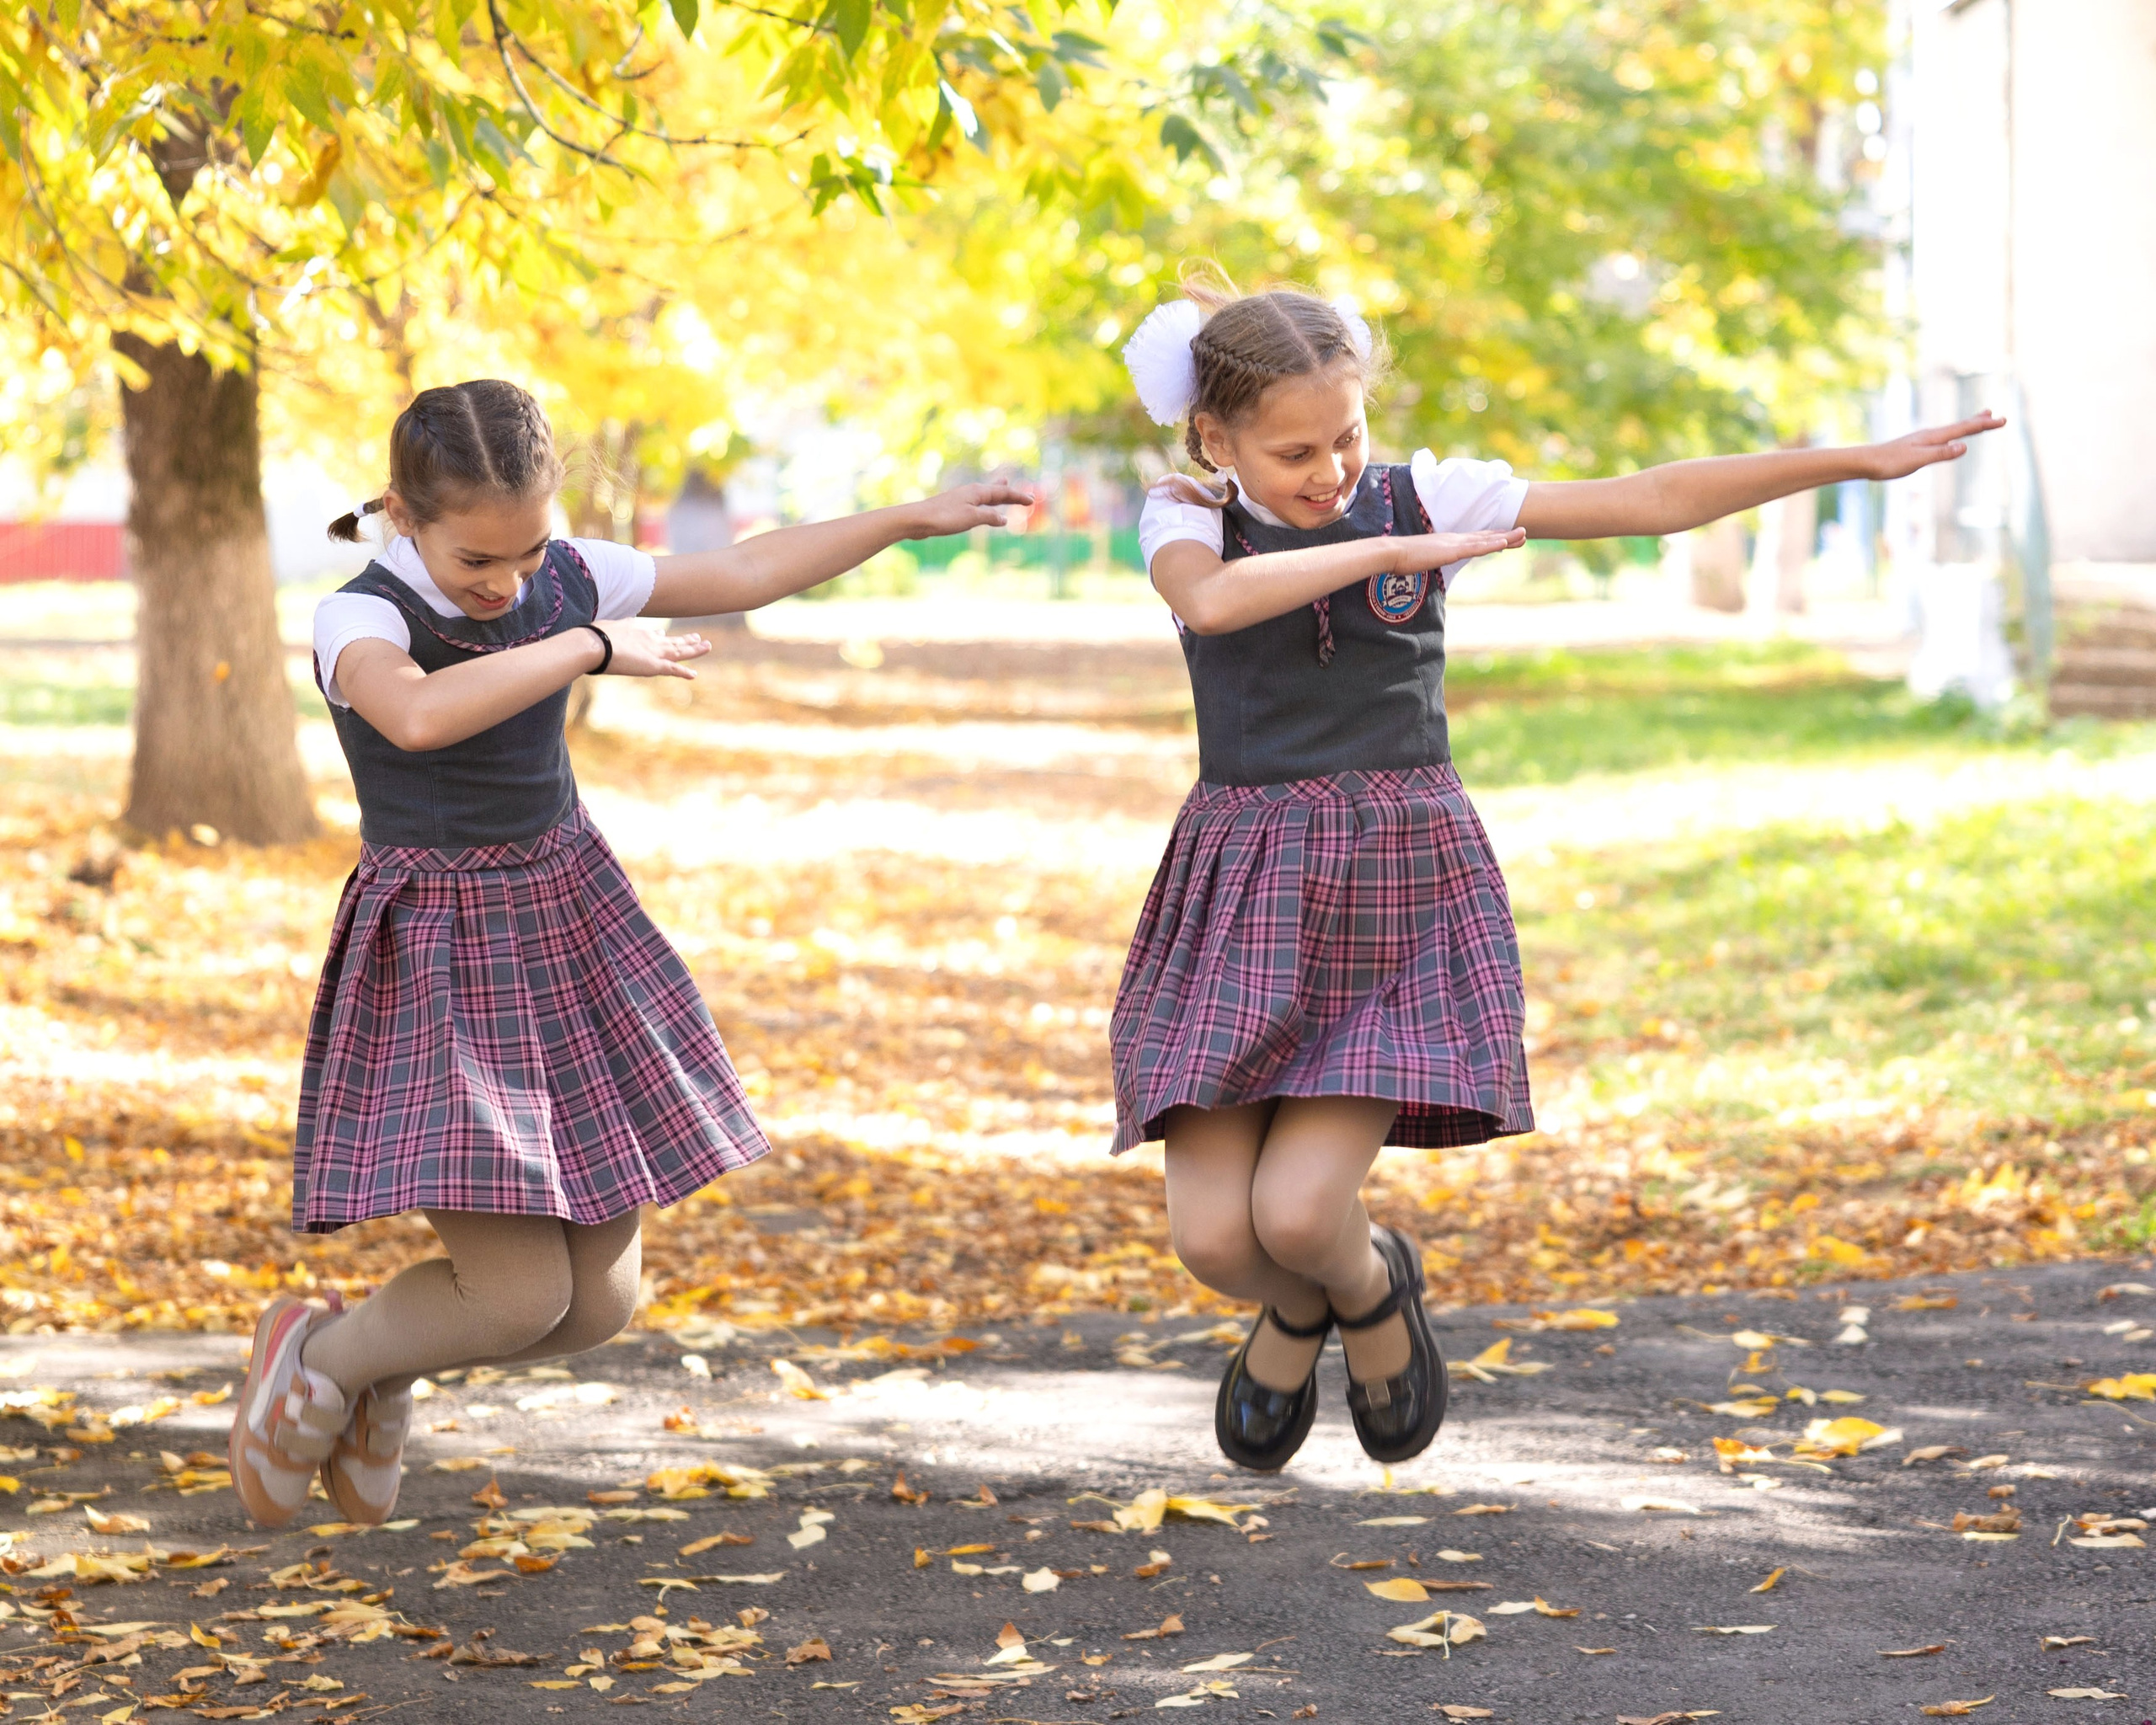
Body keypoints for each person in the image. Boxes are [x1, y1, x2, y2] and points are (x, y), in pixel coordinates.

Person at [1112, 273, 2001, 1471]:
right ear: (1213, 439)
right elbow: (1213, 604)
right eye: (1292, 452)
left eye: (1347, 437)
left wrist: (1851, 461)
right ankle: (1300, 1300)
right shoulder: (1186, 516)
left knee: (1301, 1213)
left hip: (1392, 894)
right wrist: (1397, 546)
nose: (1328, 470)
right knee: (1218, 1241)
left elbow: (1655, 499)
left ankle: (1363, 1290)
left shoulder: (1423, 490)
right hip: (1245, 893)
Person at [232, 379, 1028, 1528]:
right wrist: (588, 646)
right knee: (513, 1299)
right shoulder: (362, 616)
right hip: (448, 953)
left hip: (569, 925)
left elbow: (748, 571)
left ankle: (374, 1361)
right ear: (403, 514)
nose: (509, 584)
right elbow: (414, 716)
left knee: (596, 1306)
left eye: (530, 552)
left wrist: (908, 516)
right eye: (477, 564)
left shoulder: (557, 577)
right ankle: (320, 1359)